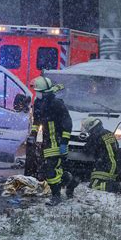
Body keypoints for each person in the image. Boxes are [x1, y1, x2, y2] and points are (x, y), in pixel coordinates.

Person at [29, 76, 79, 206]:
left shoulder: (57, 104)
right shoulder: (39, 103)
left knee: (50, 169)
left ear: (45, 92)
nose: (36, 94)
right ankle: (71, 181)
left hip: (57, 141)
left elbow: (67, 123)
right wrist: (33, 134)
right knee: (53, 170)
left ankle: (56, 196)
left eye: (38, 91)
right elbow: (37, 120)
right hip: (47, 141)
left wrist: (64, 141)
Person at [81, 117, 121, 194]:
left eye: (86, 127)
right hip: (116, 164)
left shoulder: (95, 136)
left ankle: (118, 187)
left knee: (94, 185)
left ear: (91, 126)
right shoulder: (108, 133)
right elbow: (116, 146)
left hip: (105, 165)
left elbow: (87, 151)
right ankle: (114, 182)